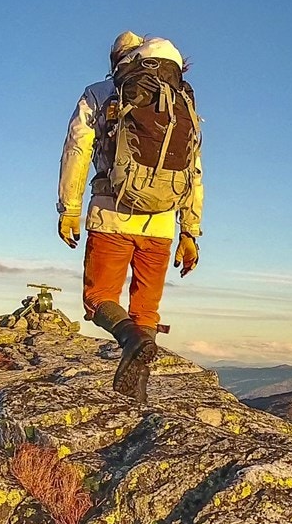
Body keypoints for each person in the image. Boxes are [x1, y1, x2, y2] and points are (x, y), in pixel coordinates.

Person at [57, 31, 204, 400]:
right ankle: (136, 387)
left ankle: (130, 339)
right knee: (145, 310)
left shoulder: (100, 93)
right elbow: (194, 168)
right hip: (163, 220)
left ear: (116, 61)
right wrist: (190, 232)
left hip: (111, 213)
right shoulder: (180, 100)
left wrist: (69, 208)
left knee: (99, 297)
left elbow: (77, 149)